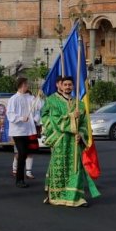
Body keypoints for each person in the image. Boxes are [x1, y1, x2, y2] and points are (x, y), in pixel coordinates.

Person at [41, 77, 99, 207]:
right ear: (60, 86)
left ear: (73, 87)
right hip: (60, 139)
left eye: (70, 85)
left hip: (74, 141)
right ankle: (57, 195)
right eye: (65, 84)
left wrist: (81, 134)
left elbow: (84, 123)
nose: (68, 87)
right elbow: (54, 119)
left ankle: (77, 197)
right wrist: (72, 117)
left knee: (75, 167)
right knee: (60, 167)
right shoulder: (52, 101)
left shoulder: (79, 103)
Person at [6, 78, 37, 189]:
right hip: (18, 131)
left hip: (28, 130)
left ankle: (22, 176)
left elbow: (37, 107)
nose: (27, 86)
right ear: (21, 85)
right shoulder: (13, 99)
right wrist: (20, 118)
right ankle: (19, 179)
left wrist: (40, 99)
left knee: (25, 153)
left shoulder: (29, 97)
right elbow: (10, 115)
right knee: (22, 153)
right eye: (26, 84)